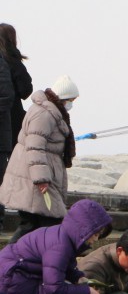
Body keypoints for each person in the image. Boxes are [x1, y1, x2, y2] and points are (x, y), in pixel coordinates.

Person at [0, 75, 81, 242]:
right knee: (37, 223)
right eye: (71, 99)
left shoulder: (49, 111)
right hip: (35, 179)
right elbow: (35, 146)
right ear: (64, 97)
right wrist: (41, 178)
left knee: (34, 223)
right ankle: (7, 261)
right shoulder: (45, 114)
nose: (72, 103)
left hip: (34, 176)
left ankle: (11, 261)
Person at [0, 24, 33, 204]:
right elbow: (26, 89)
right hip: (13, 119)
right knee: (15, 163)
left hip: (7, 118)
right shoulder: (12, 59)